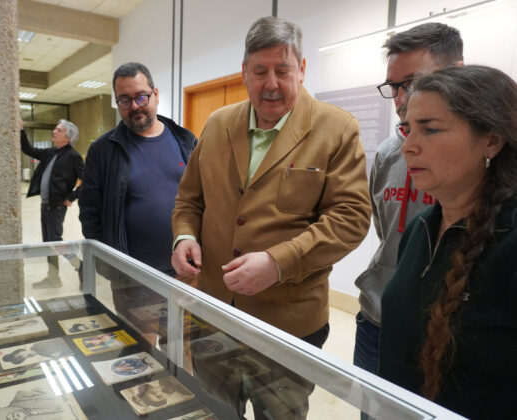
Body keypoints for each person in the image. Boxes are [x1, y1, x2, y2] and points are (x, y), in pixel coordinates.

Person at [171, 16, 371, 418]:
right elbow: (189, 199)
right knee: (213, 411)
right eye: (259, 71)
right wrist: (184, 237)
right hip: (212, 315)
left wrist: (279, 263)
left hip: (288, 324)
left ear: (302, 70)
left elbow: (350, 218)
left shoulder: (336, 128)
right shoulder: (217, 124)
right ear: (244, 72)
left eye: (283, 70)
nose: (271, 83)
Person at [378, 65, 517, 419]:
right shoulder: (422, 227)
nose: (408, 147)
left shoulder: (510, 241)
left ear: (491, 140)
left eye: (431, 130)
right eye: (408, 130)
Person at [353, 22, 464, 392]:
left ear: (457, 73)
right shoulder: (387, 154)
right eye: (394, 87)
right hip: (377, 321)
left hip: (448, 335)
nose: (400, 99)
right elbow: (389, 234)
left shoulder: (488, 159)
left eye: (413, 82)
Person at [78, 62, 196, 334]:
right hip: (132, 279)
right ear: (117, 102)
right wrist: (113, 265)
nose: (135, 106)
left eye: (141, 96)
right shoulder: (103, 149)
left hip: (184, 275)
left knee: (183, 351)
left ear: (155, 94)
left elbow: (203, 202)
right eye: (125, 100)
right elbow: (90, 212)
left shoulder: (186, 141)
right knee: (139, 357)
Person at [20, 119, 84, 288]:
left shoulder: (73, 156)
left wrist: (72, 197)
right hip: (45, 204)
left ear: (68, 137)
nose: (54, 131)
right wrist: (20, 130)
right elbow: (28, 149)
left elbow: (87, 179)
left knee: (56, 242)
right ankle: (53, 278)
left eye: (59, 129)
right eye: (55, 128)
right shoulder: (51, 152)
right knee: (48, 244)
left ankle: (81, 267)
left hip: (57, 206)